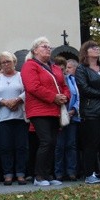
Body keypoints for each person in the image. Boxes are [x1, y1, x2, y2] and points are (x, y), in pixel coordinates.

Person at [21, 37, 69, 186]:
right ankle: (39, 176)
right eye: (44, 46)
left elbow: (64, 85)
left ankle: (48, 174)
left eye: (49, 47)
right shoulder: (30, 66)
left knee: (53, 142)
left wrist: (65, 97)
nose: (48, 49)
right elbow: (32, 87)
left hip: (55, 109)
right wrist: (53, 97)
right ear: (35, 50)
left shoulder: (54, 67)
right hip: (38, 109)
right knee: (46, 141)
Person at [75, 40, 100, 184]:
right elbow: (84, 88)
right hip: (91, 111)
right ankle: (90, 174)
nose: (97, 49)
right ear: (86, 51)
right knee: (92, 143)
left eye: (98, 47)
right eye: (93, 47)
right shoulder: (81, 69)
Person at [0, 51, 28, 185]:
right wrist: (6, 102)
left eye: (8, 62)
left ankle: (21, 174)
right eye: (3, 62)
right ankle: (8, 174)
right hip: (3, 117)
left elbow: (27, 91)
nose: (6, 64)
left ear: (14, 62)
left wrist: (17, 100)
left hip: (19, 116)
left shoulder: (21, 76)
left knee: (21, 146)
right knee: (6, 146)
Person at [54, 58, 80, 181]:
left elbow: (78, 97)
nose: (62, 70)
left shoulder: (73, 80)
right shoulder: (54, 81)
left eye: (64, 68)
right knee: (59, 146)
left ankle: (71, 172)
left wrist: (74, 109)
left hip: (72, 117)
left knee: (71, 145)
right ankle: (59, 173)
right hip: (58, 117)